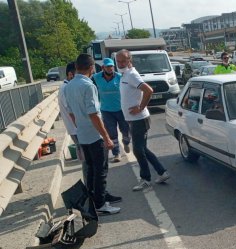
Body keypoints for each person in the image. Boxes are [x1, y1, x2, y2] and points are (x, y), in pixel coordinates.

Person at [64, 54, 121, 217]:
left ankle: (91, 200)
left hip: (82, 133)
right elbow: (94, 114)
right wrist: (107, 137)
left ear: (76, 67)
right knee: (101, 170)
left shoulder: (69, 85)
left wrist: (80, 127)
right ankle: (101, 203)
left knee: (90, 170)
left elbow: (71, 113)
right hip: (94, 135)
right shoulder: (88, 86)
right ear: (91, 68)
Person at [115, 49, 170, 192]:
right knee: (143, 148)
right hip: (133, 119)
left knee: (138, 150)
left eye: (123, 61)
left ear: (129, 60)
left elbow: (149, 90)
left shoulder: (132, 75)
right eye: (118, 61)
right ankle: (162, 172)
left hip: (139, 119)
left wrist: (140, 107)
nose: (120, 63)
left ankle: (145, 179)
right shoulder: (125, 74)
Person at [92, 58, 130, 163]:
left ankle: (126, 142)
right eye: (107, 66)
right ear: (103, 67)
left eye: (111, 66)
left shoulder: (120, 77)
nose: (110, 68)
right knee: (112, 133)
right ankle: (116, 153)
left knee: (125, 130)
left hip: (120, 109)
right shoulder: (96, 78)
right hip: (106, 110)